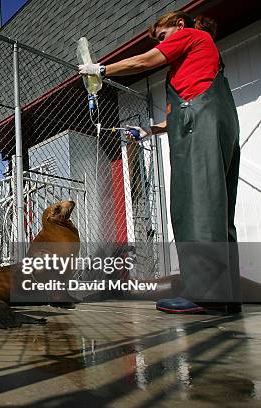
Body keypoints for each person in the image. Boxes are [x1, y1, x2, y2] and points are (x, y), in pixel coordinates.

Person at [78, 11, 241, 314]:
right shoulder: (202, 58)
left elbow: (144, 61)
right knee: (218, 208)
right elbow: (187, 103)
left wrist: (100, 69)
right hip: (217, 122)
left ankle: (206, 295)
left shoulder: (190, 35)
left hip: (200, 125)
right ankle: (227, 297)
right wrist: (150, 129)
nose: (162, 43)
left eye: (163, 36)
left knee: (196, 204)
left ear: (179, 26)